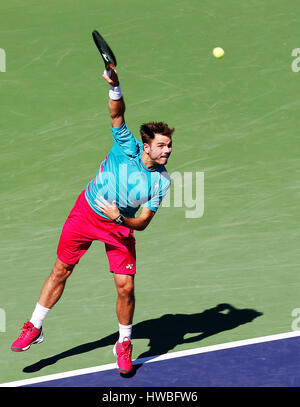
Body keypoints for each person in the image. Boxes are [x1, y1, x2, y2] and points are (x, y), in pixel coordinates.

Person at [11, 68, 174, 374]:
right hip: (86, 213)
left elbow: (144, 222)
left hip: (118, 226)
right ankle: (35, 326)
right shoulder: (127, 147)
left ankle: (124, 343)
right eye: (162, 145)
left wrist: (120, 219)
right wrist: (116, 86)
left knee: (125, 288)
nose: (168, 150)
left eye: (169, 145)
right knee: (62, 269)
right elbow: (117, 115)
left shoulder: (162, 182)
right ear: (147, 145)